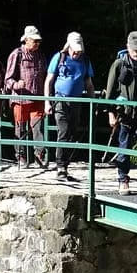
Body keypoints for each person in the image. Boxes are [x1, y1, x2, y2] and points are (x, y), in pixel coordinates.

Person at [104, 31, 137, 195]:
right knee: (124, 146)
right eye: (134, 49)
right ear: (128, 47)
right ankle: (123, 180)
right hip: (125, 113)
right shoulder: (119, 64)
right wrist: (111, 114)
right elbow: (110, 91)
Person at [44, 32, 95, 181]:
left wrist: (93, 103)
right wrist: (47, 102)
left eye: (79, 50)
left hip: (77, 101)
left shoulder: (85, 60)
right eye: (74, 50)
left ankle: (65, 165)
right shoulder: (59, 58)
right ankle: (60, 167)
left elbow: (89, 84)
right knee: (64, 132)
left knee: (72, 132)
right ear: (69, 47)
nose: (76, 53)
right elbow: (49, 81)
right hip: (60, 100)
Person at [5, 26, 47, 168]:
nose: (37, 43)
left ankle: (39, 155)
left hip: (38, 98)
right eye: (34, 41)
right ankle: (21, 156)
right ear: (26, 40)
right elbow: (8, 79)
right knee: (21, 128)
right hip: (21, 98)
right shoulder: (17, 54)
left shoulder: (40, 55)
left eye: (38, 41)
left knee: (38, 128)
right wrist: (17, 84)